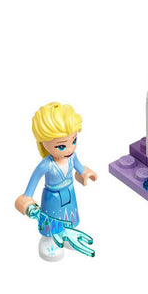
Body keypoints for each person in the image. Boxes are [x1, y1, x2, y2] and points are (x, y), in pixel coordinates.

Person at [15, 102, 97, 261]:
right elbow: (33, 182)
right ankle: (49, 240)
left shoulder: (72, 157)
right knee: (51, 220)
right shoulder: (46, 164)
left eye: (74, 141)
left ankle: (67, 235)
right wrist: (27, 198)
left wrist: (85, 173)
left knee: (69, 217)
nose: (70, 149)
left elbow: (79, 167)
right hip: (52, 197)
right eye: (61, 146)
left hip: (69, 192)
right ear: (43, 142)